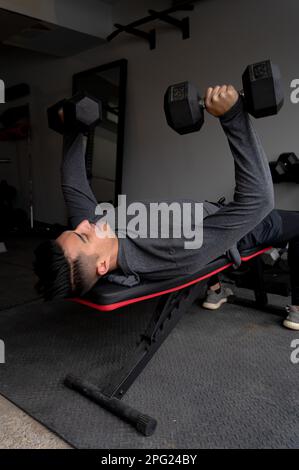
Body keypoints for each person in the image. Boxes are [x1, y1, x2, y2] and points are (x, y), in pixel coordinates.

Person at [34, 85, 297, 330]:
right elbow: (258, 201)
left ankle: (216, 290)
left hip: (208, 216)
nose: (82, 224)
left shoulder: (98, 236)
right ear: (102, 266)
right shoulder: (171, 250)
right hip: (243, 228)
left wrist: (72, 127)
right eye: (82, 235)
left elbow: (73, 185)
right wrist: (233, 115)